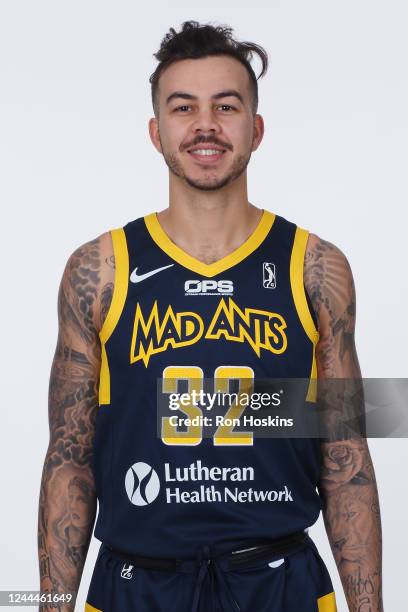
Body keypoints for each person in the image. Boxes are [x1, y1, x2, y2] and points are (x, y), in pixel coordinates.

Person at [38, 21, 383, 612]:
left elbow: (345, 453)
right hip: (135, 583)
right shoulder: (100, 270)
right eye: (183, 108)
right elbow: (69, 458)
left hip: (280, 581)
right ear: (156, 131)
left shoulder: (315, 268)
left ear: (257, 128)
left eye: (226, 106)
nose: (206, 125)